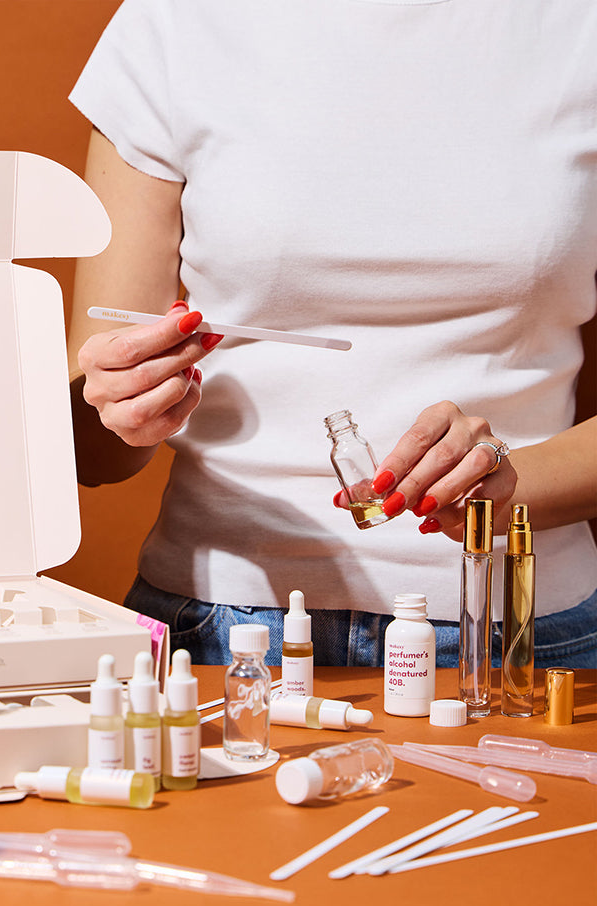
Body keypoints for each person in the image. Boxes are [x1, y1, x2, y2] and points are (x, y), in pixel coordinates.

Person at [67, 0, 597, 669]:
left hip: (522, 634)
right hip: (219, 632)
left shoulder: (577, 29)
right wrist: (124, 402)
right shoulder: (174, 23)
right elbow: (90, 450)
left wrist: (513, 480)